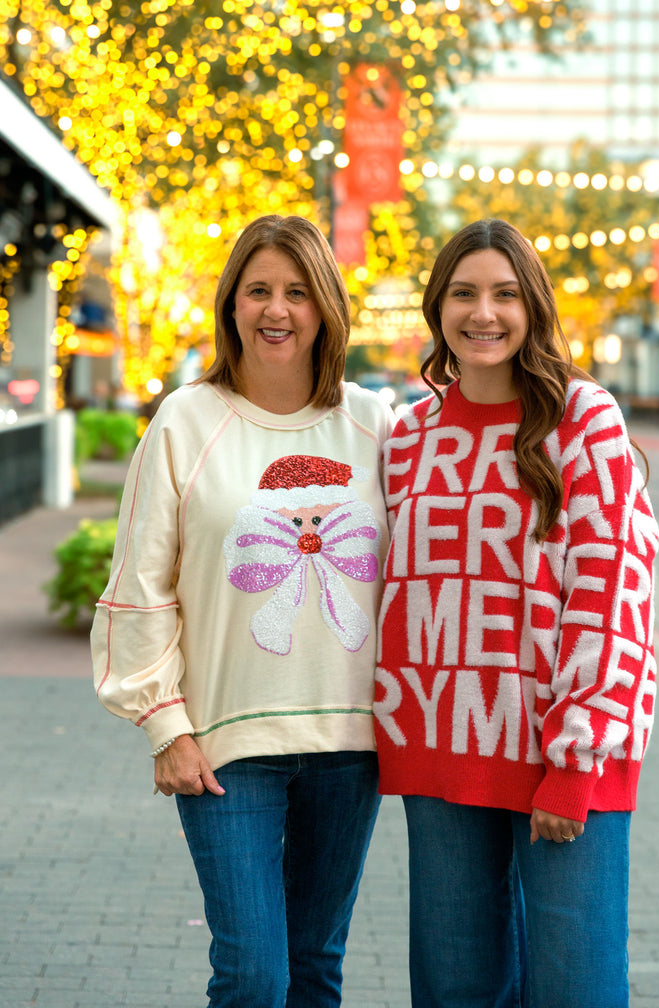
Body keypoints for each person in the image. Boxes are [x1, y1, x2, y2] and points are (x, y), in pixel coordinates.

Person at [91, 214, 396, 1008]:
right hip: (226, 751)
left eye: (297, 291)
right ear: (231, 305)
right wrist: (165, 723)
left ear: (325, 305)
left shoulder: (374, 424)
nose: (277, 309)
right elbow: (142, 580)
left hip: (349, 745)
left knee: (316, 969)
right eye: (258, 290)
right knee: (254, 977)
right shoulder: (185, 421)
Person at [373, 218, 659, 1008]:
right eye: (463, 294)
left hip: (566, 749)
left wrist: (574, 764)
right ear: (438, 309)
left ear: (532, 307)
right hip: (443, 741)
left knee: (577, 986)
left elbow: (611, 590)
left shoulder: (583, 416)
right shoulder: (408, 435)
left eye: (504, 294)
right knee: (454, 988)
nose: (483, 314)